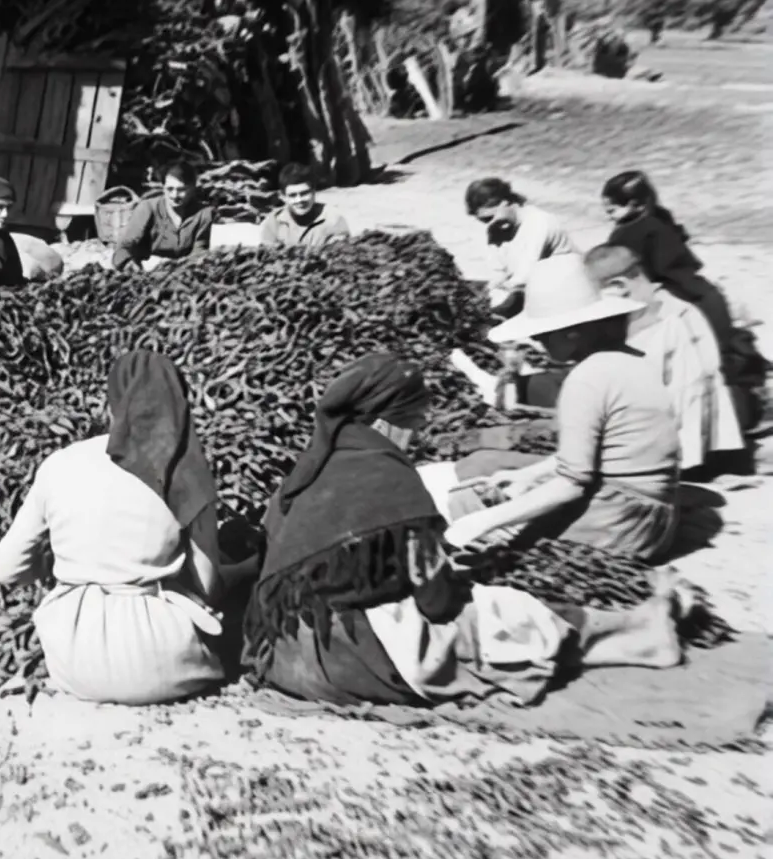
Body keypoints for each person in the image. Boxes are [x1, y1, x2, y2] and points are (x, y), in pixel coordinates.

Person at [241, 353, 690, 710]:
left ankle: (632, 634)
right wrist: (460, 574)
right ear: (385, 420)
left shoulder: (306, 473)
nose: (415, 437)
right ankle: (639, 634)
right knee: (504, 614)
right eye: (413, 423)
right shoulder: (387, 480)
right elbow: (435, 602)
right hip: (346, 664)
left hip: (281, 658)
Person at [0, 350, 228, 705]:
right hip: (163, 661)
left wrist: (53, 569)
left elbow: (6, 569)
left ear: (112, 401)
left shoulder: (62, 463)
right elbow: (209, 586)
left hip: (74, 660)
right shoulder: (186, 471)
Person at [441, 255, 681, 562]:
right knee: (493, 473)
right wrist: (529, 476)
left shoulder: (586, 378)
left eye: (543, 335)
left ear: (571, 333)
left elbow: (571, 484)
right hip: (661, 514)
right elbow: (600, 454)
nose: (539, 344)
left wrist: (482, 521)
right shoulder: (632, 357)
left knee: (469, 504)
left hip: (623, 522)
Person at [602, 170, 766, 429]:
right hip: (703, 294)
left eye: (611, 210)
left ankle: (736, 416)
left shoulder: (628, 235)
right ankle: (749, 406)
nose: (608, 217)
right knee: (721, 361)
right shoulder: (660, 219)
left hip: (682, 299)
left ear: (634, 205)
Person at [586, 244, 743, 471]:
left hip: (677, 426)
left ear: (618, 286)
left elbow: (678, 387)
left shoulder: (669, 319)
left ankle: (687, 461)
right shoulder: (665, 308)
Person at [464, 177, 577, 318]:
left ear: (506, 202)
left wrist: (487, 299)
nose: (489, 224)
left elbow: (523, 278)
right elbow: (498, 274)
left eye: (490, 218)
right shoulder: (497, 228)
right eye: (483, 221)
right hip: (527, 291)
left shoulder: (539, 222)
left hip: (563, 293)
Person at [112, 162, 215, 270]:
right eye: (170, 189)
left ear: (192, 188)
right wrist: (128, 264)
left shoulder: (204, 213)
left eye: (181, 190)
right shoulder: (148, 208)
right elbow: (124, 245)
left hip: (181, 271)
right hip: (144, 270)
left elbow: (199, 251)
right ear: (163, 187)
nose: (174, 195)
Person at [258, 163, 351, 250]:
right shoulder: (274, 222)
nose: (299, 200)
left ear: (314, 192)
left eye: (304, 193)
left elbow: (340, 258)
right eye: (292, 195)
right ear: (283, 197)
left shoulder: (333, 220)